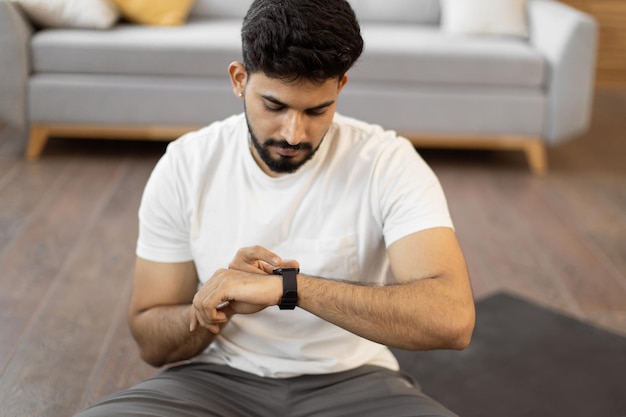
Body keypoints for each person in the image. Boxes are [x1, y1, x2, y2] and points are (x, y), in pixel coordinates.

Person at [74, 0, 475, 416]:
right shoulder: (185, 165)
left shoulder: (387, 161)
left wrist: (290, 288)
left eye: (316, 110)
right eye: (274, 106)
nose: (293, 133)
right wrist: (214, 307)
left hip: (355, 381)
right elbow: (151, 340)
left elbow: (453, 318)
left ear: (340, 87)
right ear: (239, 79)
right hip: (214, 382)